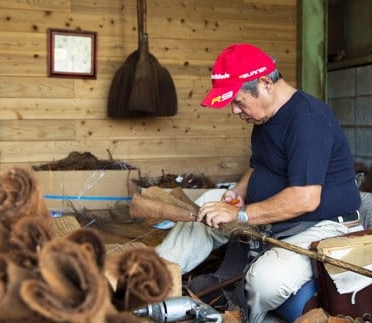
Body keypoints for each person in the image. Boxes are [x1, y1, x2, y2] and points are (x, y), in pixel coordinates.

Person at [155, 43, 361, 322]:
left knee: (264, 281)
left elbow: (305, 199)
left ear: (265, 84)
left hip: (321, 226)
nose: (235, 111)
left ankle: (245, 315)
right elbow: (260, 166)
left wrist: (241, 214)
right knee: (205, 205)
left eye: (238, 101)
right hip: (277, 219)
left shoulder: (308, 118)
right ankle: (153, 275)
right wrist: (238, 193)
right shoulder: (264, 118)